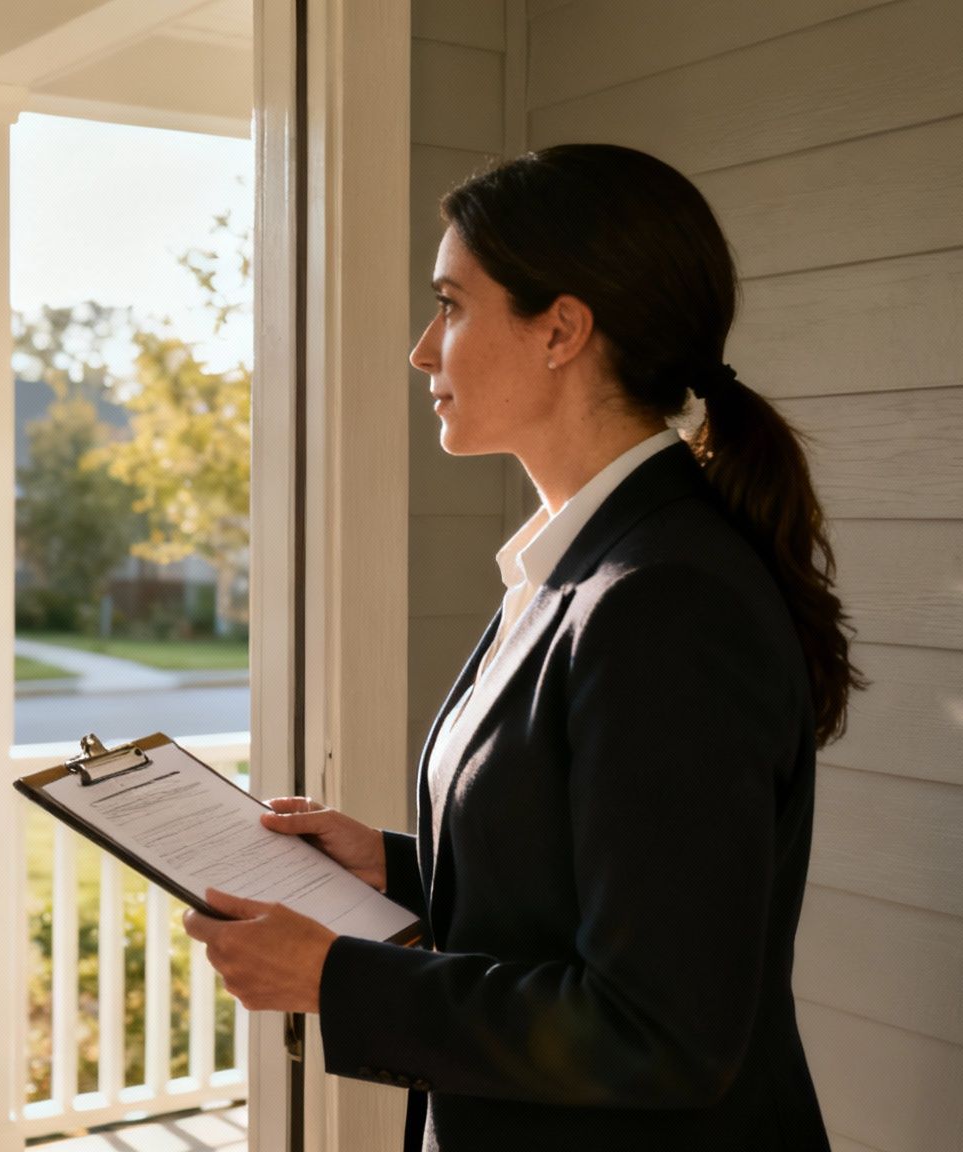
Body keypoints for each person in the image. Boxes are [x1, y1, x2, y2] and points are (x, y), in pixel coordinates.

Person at [184, 144, 859, 1151]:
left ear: (560, 329)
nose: (422, 349)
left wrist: (334, 976)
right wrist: (396, 871)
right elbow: (605, 883)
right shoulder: (577, 568)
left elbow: (659, 1031)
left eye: (450, 304)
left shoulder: (660, 599)